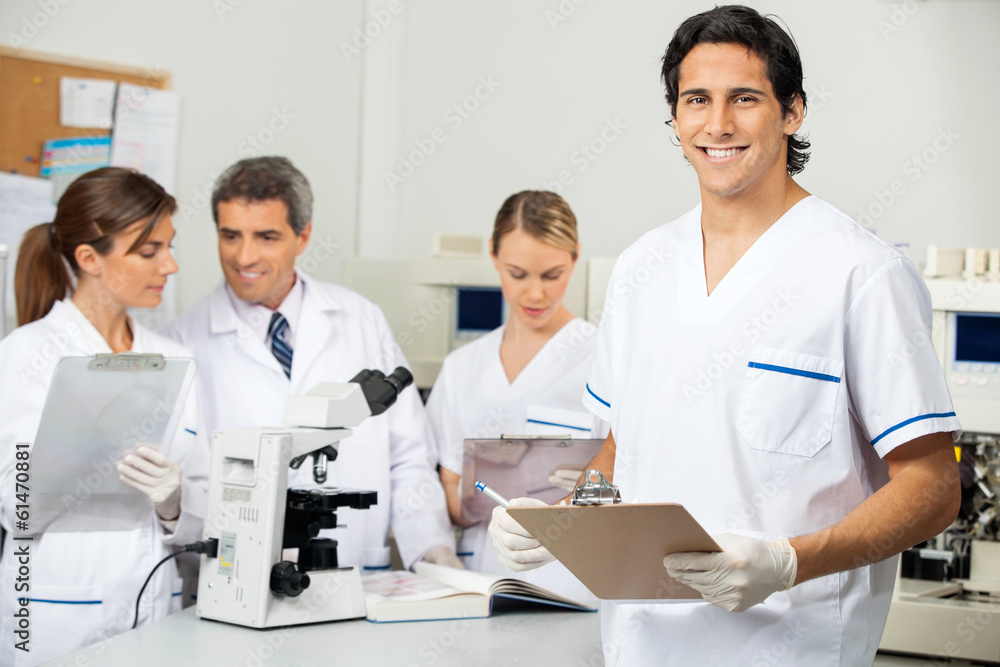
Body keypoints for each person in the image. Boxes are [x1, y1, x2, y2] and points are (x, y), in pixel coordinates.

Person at [488, 6, 962, 665]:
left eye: (744, 98)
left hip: (794, 648)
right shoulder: (641, 269)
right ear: (675, 119)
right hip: (640, 645)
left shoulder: (861, 273)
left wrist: (787, 561)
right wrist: (558, 515)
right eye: (696, 100)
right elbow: (621, 449)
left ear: (792, 111)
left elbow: (935, 485)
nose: (717, 124)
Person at [166, 156, 457, 572]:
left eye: (266, 237)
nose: (244, 257)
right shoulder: (183, 342)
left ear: (303, 237)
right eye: (230, 236)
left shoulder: (360, 319)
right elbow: (189, 484)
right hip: (238, 576)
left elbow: (408, 457)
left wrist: (432, 549)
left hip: (355, 570)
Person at [0, 168, 208, 666]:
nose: (171, 265)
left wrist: (174, 503)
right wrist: (85, 451)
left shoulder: (173, 359)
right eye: (149, 250)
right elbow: (16, 506)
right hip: (58, 613)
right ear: (90, 258)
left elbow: (204, 506)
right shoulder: (27, 354)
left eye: (169, 246)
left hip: (157, 607)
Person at [426, 190, 607, 602]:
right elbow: (451, 491)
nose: (535, 295)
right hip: (477, 584)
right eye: (518, 274)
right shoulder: (462, 367)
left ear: (575, 258)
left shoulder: (602, 359)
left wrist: (574, 497)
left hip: (572, 586)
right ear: (492, 256)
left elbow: (623, 486)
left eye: (552, 275)